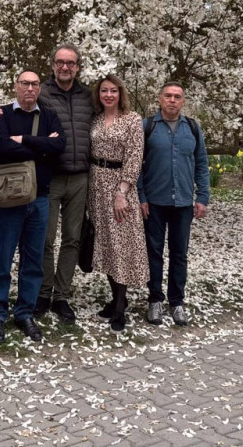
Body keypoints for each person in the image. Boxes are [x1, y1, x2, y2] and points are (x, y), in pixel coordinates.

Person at [0, 69, 65, 343]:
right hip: (8, 199)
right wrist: (43, 147)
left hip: (40, 198)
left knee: (33, 260)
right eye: (25, 83)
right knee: (2, 258)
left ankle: (24, 313)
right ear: (16, 86)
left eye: (34, 84)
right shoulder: (1, 114)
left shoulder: (49, 115)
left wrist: (23, 140)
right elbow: (2, 147)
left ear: (39, 88)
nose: (30, 88)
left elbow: (60, 146)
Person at [138, 82, 210, 327]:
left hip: (183, 203)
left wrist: (202, 197)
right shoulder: (147, 127)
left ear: (183, 101)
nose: (172, 100)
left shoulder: (193, 128)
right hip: (154, 203)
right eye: (168, 96)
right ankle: (155, 300)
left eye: (177, 97)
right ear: (159, 99)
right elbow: (136, 165)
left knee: (179, 254)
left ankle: (177, 302)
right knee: (154, 253)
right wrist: (141, 197)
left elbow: (201, 163)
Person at [36, 43, 93, 324]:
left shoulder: (88, 96)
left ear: (78, 67)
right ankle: (43, 292)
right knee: (45, 238)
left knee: (72, 238)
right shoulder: (42, 93)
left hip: (80, 175)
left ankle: (62, 295)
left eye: (70, 63)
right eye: (60, 62)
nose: (65, 67)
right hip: (51, 175)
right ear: (53, 65)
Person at [87, 74, 148, 333]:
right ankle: (115, 299)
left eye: (113, 90)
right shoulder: (96, 119)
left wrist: (122, 192)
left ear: (120, 93)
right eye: (104, 90)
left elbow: (134, 157)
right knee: (106, 245)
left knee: (121, 244)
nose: (108, 95)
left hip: (119, 186)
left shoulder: (132, 119)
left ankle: (120, 307)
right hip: (96, 186)